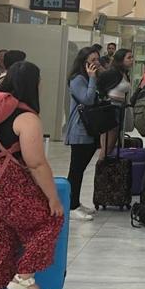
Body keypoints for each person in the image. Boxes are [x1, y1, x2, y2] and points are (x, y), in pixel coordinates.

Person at [0, 62, 65, 289]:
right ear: (33, 84)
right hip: (5, 184)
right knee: (48, 220)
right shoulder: (26, 117)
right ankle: (24, 276)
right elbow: (35, 162)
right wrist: (52, 198)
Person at [63, 46, 102, 221]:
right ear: (84, 62)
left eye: (97, 59)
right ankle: (71, 206)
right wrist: (93, 79)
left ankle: (76, 202)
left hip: (91, 129)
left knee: (82, 168)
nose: (95, 63)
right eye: (92, 60)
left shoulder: (90, 77)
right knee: (76, 169)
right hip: (79, 130)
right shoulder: (77, 79)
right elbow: (87, 99)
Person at [96, 47, 134, 154]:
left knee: (111, 145)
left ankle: (103, 167)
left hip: (119, 108)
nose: (132, 60)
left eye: (132, 57)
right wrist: (105, 98)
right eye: (129, 58)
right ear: (121, 59)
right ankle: (101, 167)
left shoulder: (124, 73)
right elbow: (99, 84)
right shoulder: (113, 73)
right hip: (111, 109)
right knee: (108, 146)